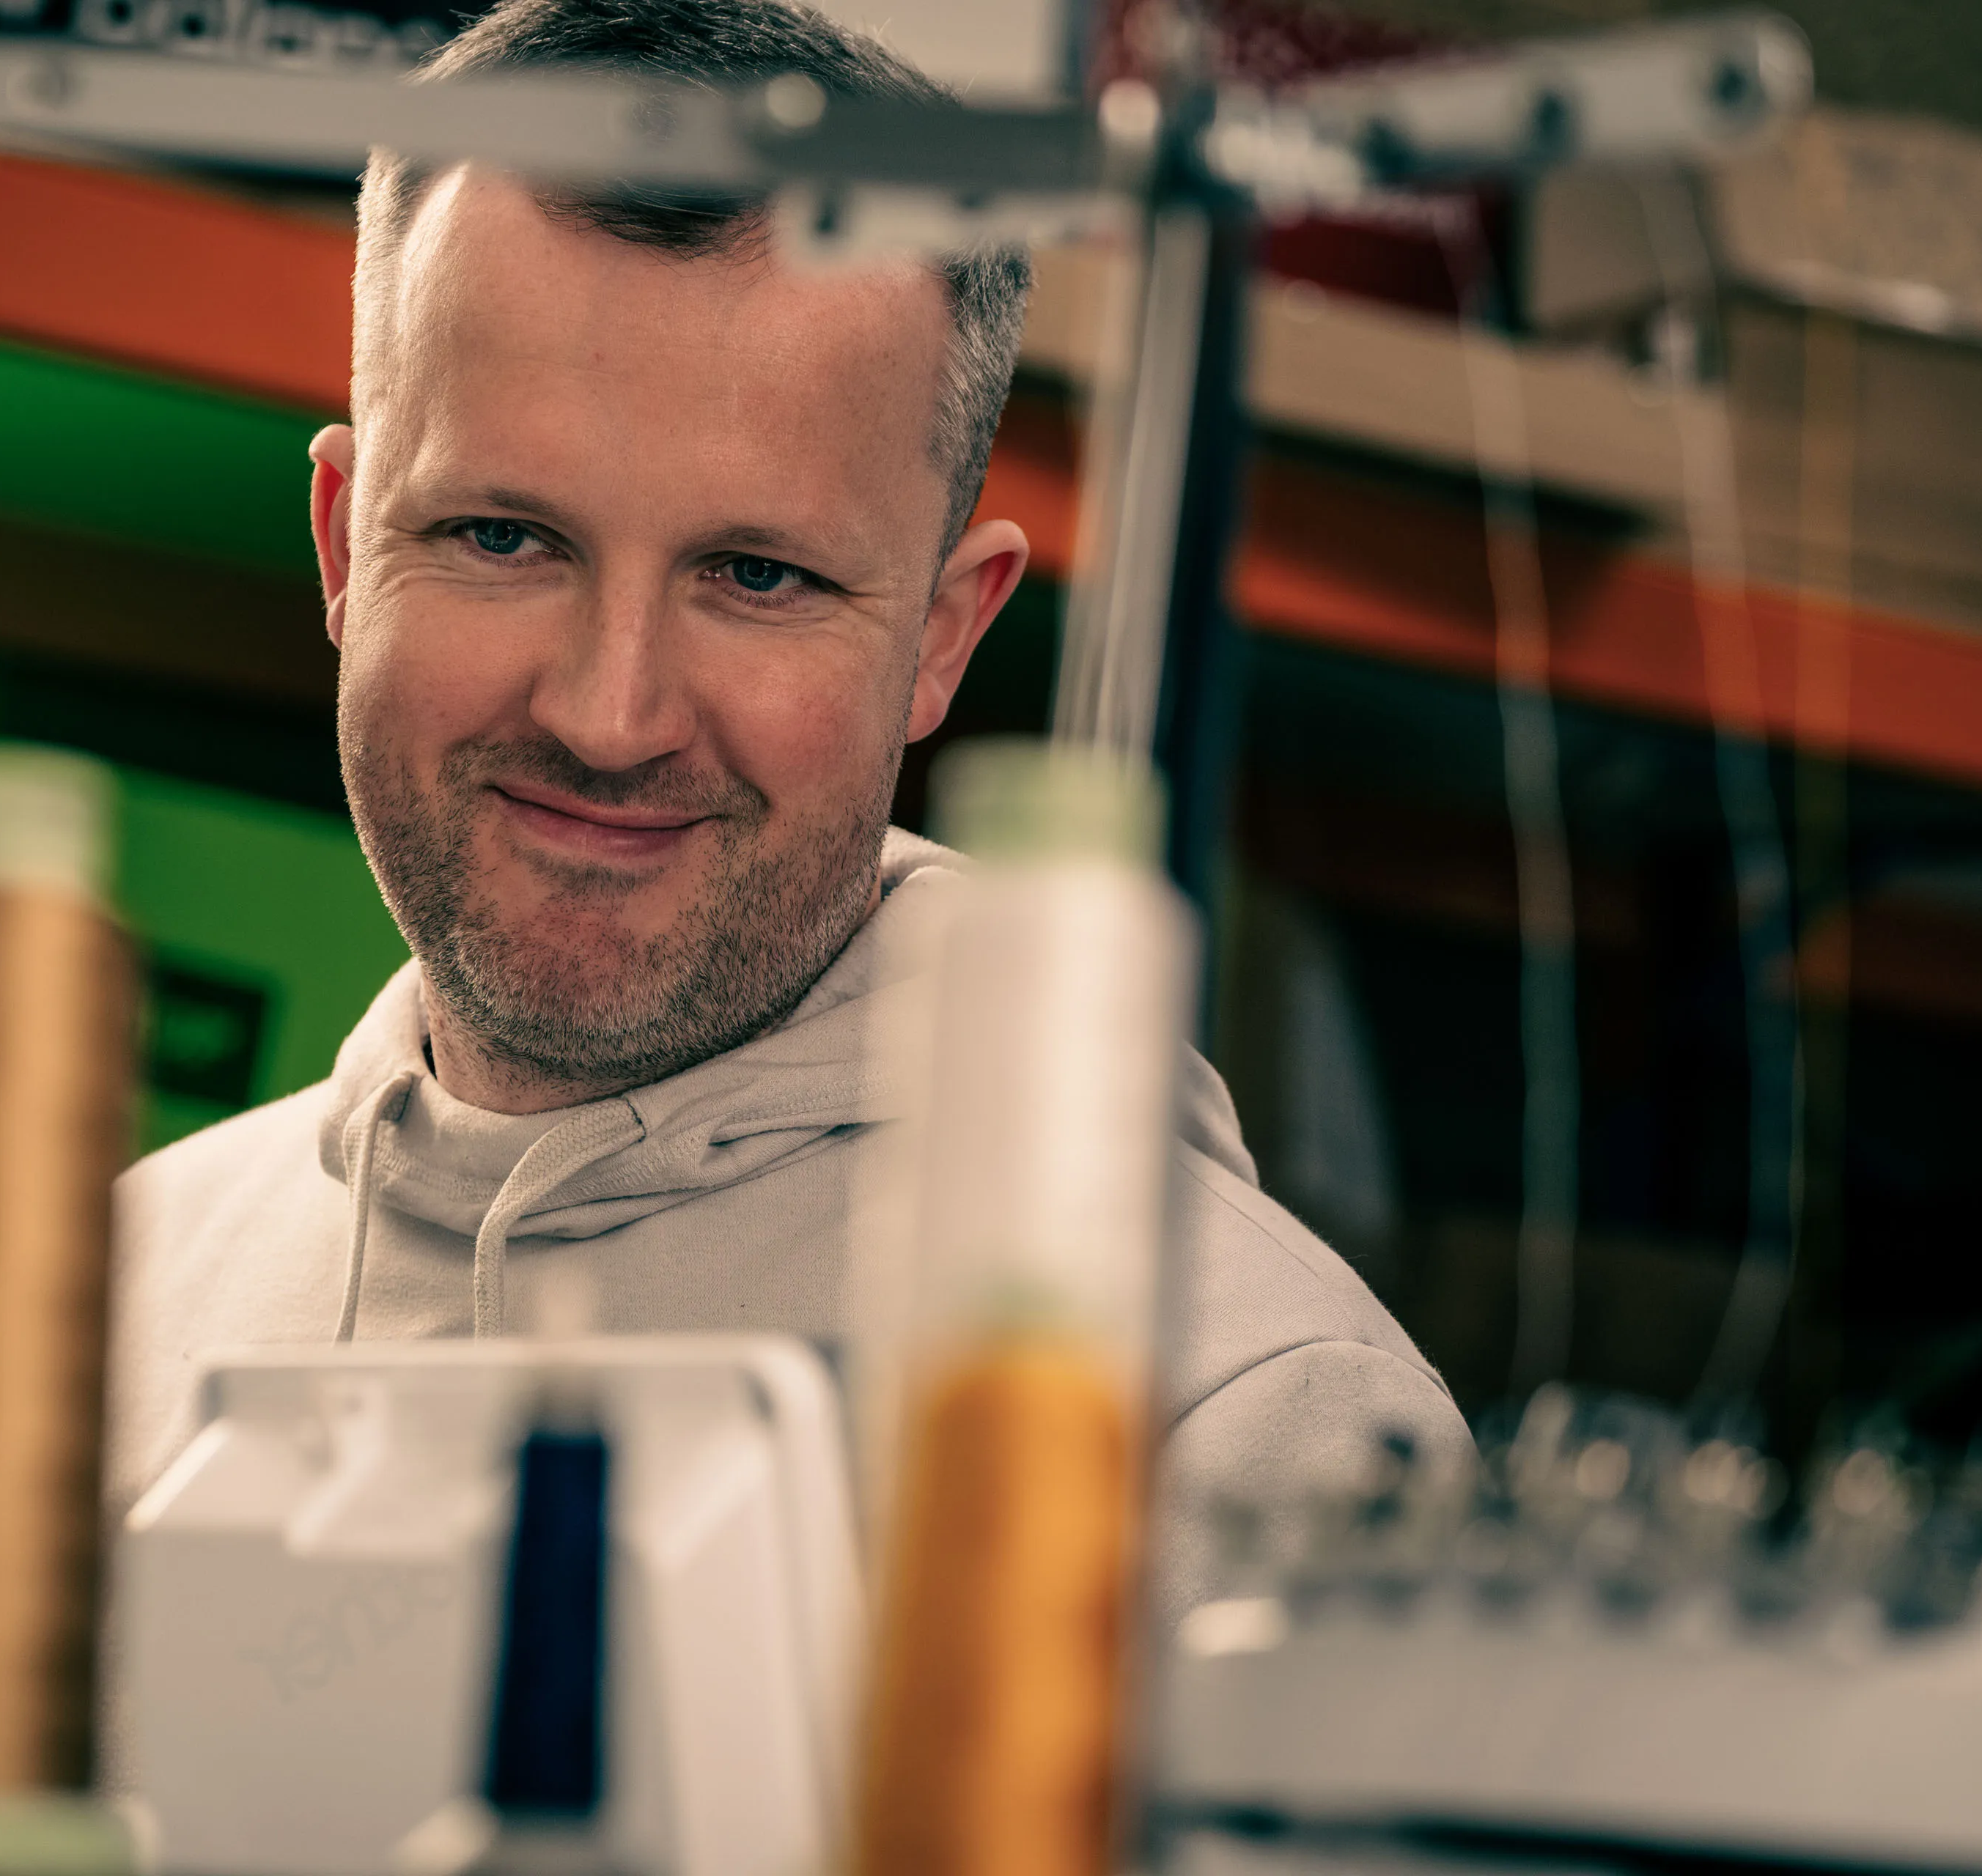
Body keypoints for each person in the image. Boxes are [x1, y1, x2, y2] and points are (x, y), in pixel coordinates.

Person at [110, 0, 1470, 1614]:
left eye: (758, 575)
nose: (608, 715)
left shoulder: (1248, 1427)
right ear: (343, 548)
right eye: (500, 537)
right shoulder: (108, 1306)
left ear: (941, 641)